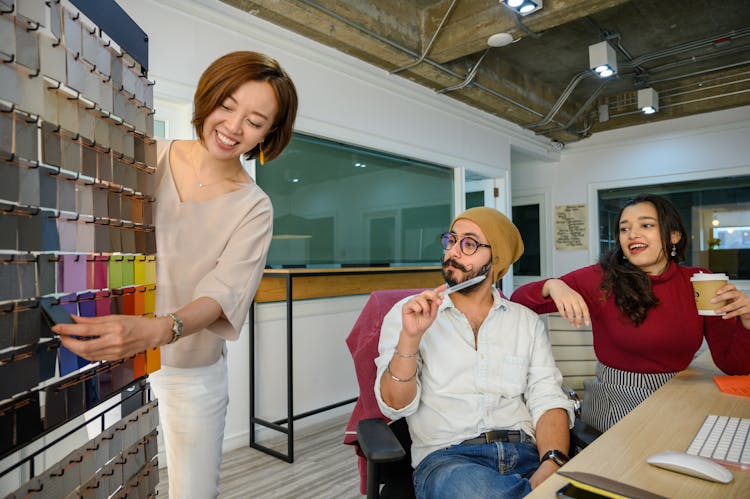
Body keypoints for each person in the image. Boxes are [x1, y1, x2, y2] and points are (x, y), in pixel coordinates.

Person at [53, 51, 298, 498]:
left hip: (191, 369)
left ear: (270, 133)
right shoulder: (149, 156)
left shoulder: (254, 207)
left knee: (195, 490)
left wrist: (159, 330)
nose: (233, 127)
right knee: (109, 480)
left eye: (256, 120)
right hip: (115, 356)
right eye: (227, 105)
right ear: (208, 98)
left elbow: (222, 293)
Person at [375, 207, 575, 499]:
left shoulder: (526, 322)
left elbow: (548, 398)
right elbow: (393, 406)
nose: (453, 252)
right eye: (451, 240)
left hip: (525, 454)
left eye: (469, 243)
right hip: (449, 461)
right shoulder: (407, 315)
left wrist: (553, 461)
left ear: (497, 259)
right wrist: (410, 338)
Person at [511, 194, 750, 434]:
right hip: (617, 401)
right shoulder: (601, 279)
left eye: (646, 225)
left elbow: (734, 365)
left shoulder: (700, 281)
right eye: (624, 229)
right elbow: (518, 302)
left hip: (681, 392)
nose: (632, 234)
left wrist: (747, 322)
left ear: (674, 235)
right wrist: (551, 284)